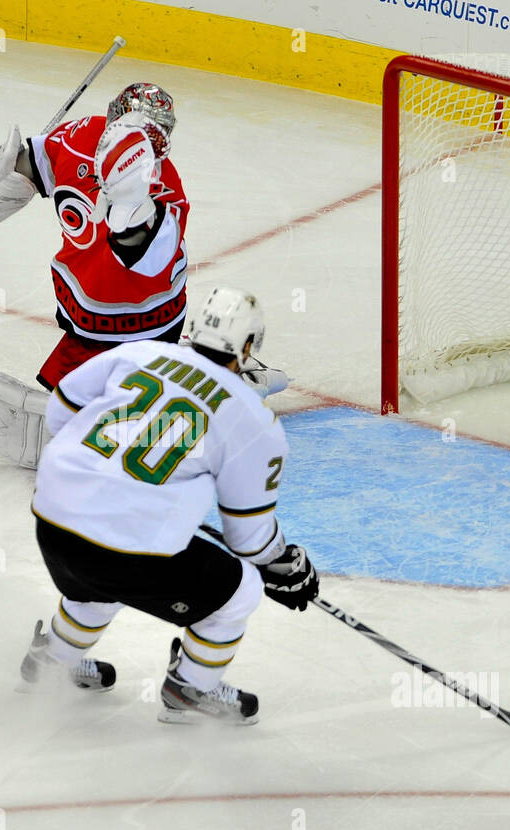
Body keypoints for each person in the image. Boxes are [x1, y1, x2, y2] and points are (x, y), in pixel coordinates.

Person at [0, 84, 288, 467]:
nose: (144, 143)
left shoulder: (167, 191)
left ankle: (225, 379)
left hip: (147, 323)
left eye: (153, 135)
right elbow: (33, 162)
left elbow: (144, 257)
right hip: (85, 316)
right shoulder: (77, 137)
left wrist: (131, 203)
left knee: (148, 407)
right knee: (62, 404)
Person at [20, 287, 318, 723]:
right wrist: (283, 563)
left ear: (195, 330)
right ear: (249, 346)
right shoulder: (253, 418)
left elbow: (61, 408)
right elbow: (249, 538)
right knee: (239, 591)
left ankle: (53, 661)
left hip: (52, 517)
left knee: (98, 579)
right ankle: (192, 689)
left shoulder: (139, 352)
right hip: (123, 548)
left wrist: (98, 475)